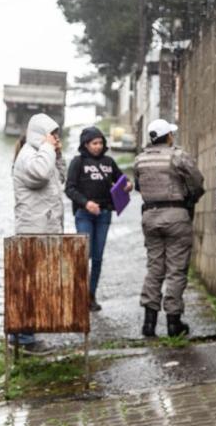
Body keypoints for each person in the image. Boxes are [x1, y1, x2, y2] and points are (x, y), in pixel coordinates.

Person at [133, 119, 205, 338]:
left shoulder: (140, 160)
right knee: (176, 270)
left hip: (149, 216)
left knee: (155, 267)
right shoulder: (177, 156)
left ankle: (149, 323)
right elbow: (197, 181)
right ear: (169, 137)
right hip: (176, 215)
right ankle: (173, 323)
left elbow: (138, 186)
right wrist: (189, 199)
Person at [11, 113, 65, 347]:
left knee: (36, 284)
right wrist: (48, 149)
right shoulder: (28, 156)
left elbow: (59, 177)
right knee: (30, 286)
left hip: (43, 228)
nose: (54, 139)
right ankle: (23, 337)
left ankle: (24, 334)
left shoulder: (41, 154)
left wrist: (57, 154)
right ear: (40, 135)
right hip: (33, 230)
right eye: (51, 135)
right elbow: (41, 174)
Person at [65, 126, 132, 312]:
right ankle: (79, 294)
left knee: (98, 257)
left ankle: (91, 295)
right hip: (84, 214)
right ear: (86, 144)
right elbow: (69, 189)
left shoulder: (109, 162)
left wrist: (128, 185)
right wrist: (86, 204)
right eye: (94, 143)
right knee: (83, 256)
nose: (98, 146)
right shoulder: (78, 162)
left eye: (100, 143)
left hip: (104, 214)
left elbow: (122, 180)